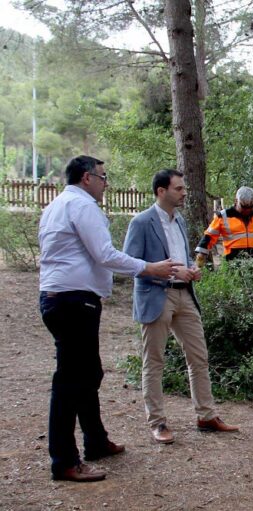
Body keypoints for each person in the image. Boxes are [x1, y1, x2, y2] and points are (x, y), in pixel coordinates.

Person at [39, 155, 180, 482]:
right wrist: (148, 267)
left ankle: (96, 441)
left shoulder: (55, 206)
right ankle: (64, 461)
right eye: (103, 177)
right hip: (75, 300)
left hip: (58, 297)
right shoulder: (84, 206)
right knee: (71, 381)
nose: (106, 184)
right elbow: (105, 254)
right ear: (87, 178)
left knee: (87, 374)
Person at [123, 169, 239, 445]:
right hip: (156, 296)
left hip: (185, 295)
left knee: (199, 356)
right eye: (178, 188)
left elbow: (182, 256)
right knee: (154, 361)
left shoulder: (180, 221)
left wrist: (190, 270)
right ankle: (158, 422)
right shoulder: (141, 222)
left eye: (184, 188)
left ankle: (206, 416)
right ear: (161, 191)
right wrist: (163, 273)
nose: (184, 192)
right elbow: (128, 264)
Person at [195, 186, 253, 266]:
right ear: (236, 201)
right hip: (232, 262)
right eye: (243, 207)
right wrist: (201, 254)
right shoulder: (223, 216)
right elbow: (209, 236)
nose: (247, 210)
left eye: (251, 207)